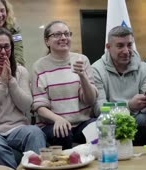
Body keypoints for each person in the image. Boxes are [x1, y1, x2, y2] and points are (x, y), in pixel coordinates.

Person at [0, 27, 46, 169]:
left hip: (18, 129)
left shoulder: (21, 72)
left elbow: (26, 106)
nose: (3, 52)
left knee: (36, 132)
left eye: (7, 47)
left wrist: (11, 81)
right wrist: (2, 84)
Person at [32, 20, 98, 150]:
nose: (63, 38)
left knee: (99, 126)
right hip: (53, 124)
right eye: (57, 35)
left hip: (81, 123)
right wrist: (58, 119)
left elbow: (91, 100)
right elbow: (39, 106)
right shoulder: (39, 66)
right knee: (63, 131)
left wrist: (82, 76)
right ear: (47, 41)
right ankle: (66, 168)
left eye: (66, 34)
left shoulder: (82, 60)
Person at [93, 26, 146, 146]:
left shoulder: (143, 68)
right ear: (108, 47)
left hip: (138, 118)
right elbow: (99, 109)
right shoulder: (96, 70)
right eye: (120, 46)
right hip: (110, 121)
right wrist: (129, 106)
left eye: (129, 45)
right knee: (101, 122)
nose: (126, 51)